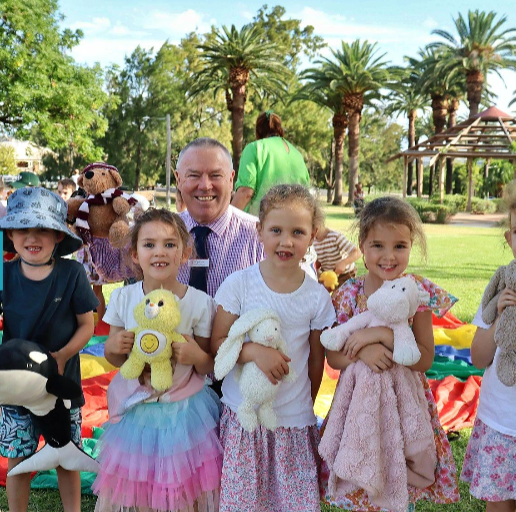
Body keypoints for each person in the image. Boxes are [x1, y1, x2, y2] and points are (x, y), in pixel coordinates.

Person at [321, 196, 460, 511]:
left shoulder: (416, 293)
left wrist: (383, 335)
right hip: (359, 406)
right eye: (377, 245)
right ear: (362, 246)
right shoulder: (349, 294)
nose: (388, 256)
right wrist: (363, 350)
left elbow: (424, 359)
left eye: (399, 246)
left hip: (404, 406)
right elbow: (334, 357)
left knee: (400, 475)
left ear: (411, 246)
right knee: (361, 474)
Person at [211, 184, 336, 512]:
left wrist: (305, 407)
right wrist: (253, 351)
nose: (286, 241)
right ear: (260, 231)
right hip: (245, 421)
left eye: (298, 232)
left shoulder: (317, 297)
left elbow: (316, 362)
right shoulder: (240, 284)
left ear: (313, 236)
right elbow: (217, 344)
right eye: (276, 230)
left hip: (293, 425)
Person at [94, 208, 222, 512]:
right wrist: (114, 346)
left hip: (184, 413)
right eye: (149, 244)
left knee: (184, 488)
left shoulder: (199, 303)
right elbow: (114, 358)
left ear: (185, 253)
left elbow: (209, 365)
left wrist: (196, 355)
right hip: (137, 413)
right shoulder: (124, 299)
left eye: (170, 244)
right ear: (135, 254)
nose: (159, 252)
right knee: (139, 489)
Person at [0, 187, 98, 512]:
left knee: (66, 457)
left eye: (42, 229)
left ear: (58, 235)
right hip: (16, 391)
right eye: (23, 228)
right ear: (10, 234)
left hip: (62, 386)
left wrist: (64, 355)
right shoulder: (4, 275)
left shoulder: (72, 274)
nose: (33, 237)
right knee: (18, 460)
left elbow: (87, 325)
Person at [461, 182, 516, 512]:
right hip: (500, 421)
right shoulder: (500, 289)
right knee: (498, 507)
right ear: (510, 239)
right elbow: (478, 356)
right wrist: (498, 320)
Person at [175, 137, 264, 298]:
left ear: (231, 180)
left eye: (215, 175)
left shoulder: (259, 237)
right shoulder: (158, 233)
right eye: (194, 175)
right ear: (178, 179)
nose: (205, 185)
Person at [231, 111, 310, 216]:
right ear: (280, 129)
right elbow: (305, 195)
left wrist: (226, 220)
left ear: (258, 131)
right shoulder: (298, 155)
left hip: (261, 222)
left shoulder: (254, 148)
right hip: (293, 221)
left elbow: (245, 192)